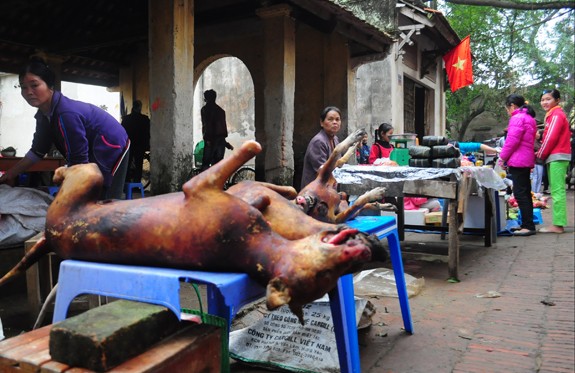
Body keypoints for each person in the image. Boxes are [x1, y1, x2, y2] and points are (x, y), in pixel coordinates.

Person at [0, 58, 129, 200]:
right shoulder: (44, 116)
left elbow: (78, 160)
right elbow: (37, 151)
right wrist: (10, 174)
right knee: (87, 199)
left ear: (50, 86)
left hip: (112, 144)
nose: (28, 92)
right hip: (89, 152)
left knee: (104, 201)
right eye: (23, 87)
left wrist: (64, 194)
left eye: (34, 85)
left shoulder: (66, 113)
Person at [499, 93, 537, 236]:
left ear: (512, 106)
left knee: (520, 193)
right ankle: (528, 224)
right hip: (526, 159)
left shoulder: (517, 118)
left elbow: (511, 141)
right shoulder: (529, 118)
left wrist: (502, 158)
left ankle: (528, 226)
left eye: (507, 109)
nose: (508, 112)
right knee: (525, 192)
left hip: (519, 160)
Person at [536, 89, 572, 233]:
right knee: (558, 191)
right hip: (557, 155)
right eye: (543, 99)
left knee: (557, 191)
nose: (545, 102)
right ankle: (558, 223)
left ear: (557, 100)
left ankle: (558, 225)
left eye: (548, 99)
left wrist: (541, 154)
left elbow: (551, 138)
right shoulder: (553, 115)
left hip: (557, 155)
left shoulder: (556, 115)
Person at [301, 106, 342, 189]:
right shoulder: (319, 142)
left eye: (337, 119)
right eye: (330, 119)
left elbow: (338, 164)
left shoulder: (335, 139)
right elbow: (323, 171)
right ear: (322, 123)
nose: (335, 122)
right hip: (314, 192)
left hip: (328, 189)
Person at [200, 89, 232, 171]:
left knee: (206, 164)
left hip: (210, 140)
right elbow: (222, 129)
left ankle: (206, 183)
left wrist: (207, 139)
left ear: (206, 99)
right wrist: (225, 143)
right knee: (218, 166)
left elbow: (206, 125)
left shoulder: (205, 110)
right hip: (221, 141)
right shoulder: (221, 111)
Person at [121, 100, 150, 183]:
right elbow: (148, 133)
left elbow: (122, 132)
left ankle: (126, 183)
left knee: (127, 164)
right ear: (140, 108)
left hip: (129, 145)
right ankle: (137, 184)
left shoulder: (126, 119)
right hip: (140, 146)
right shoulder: (145, 119)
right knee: (138, 165)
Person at [531, 128, 545, 194]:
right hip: (535, 162)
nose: (537, 134)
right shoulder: (534, 141)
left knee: (539, 177)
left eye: (538, 133)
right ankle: (534, 192)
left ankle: (537, 191)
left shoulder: (542, 142)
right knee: (535, 177)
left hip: (540, 162)